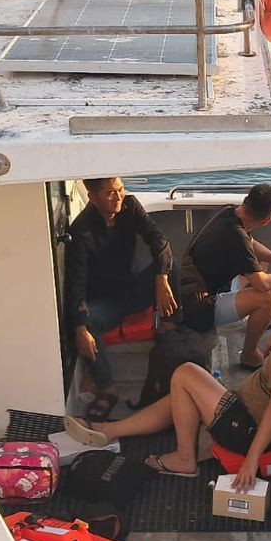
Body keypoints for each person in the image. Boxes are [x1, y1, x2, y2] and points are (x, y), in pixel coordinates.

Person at [66, 278, 271, 491]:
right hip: (243, 410)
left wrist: (251, 459)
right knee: (183, 392)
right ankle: (110, 431)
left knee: (185, 373)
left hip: (246, 430)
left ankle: (185, 458)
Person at [66, 177, 179, 421]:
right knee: (87, 325)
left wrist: (161, 277)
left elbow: (158, 239)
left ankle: (170, 326)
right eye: (109, 193)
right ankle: (107, 388)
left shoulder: (130, 206)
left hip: (131, 288)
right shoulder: (82, 230)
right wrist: (79, 326)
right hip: (105, 301)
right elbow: (76, 283)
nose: (117, 197)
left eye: (120, 189)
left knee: (170, 266)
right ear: (92, 197)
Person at [179, 183, 271, 369]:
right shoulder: (235, 237)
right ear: (267, 221)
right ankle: (249, 355)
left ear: (246, 200)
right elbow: (262, 284)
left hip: (191, 285)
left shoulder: (227, 211)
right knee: (267, 297)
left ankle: (253, 318)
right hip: (197, 307)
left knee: (260, 264)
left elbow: (250, 244)